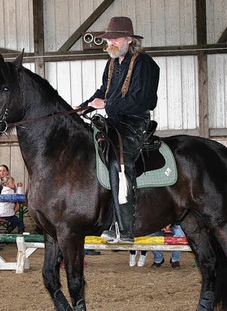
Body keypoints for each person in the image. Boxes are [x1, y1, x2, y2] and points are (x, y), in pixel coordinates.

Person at [77, 16, 160, 244]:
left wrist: (106, 105)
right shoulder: (112, 64)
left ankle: (125, 227)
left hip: (134, 122)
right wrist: (83, 106)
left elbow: (141, 101)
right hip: (113, 121)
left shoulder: (145, 64)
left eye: (114, 38)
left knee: (118, 161)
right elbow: (103, 91)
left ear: (129, 39)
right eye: (108, 39)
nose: (110, 42)